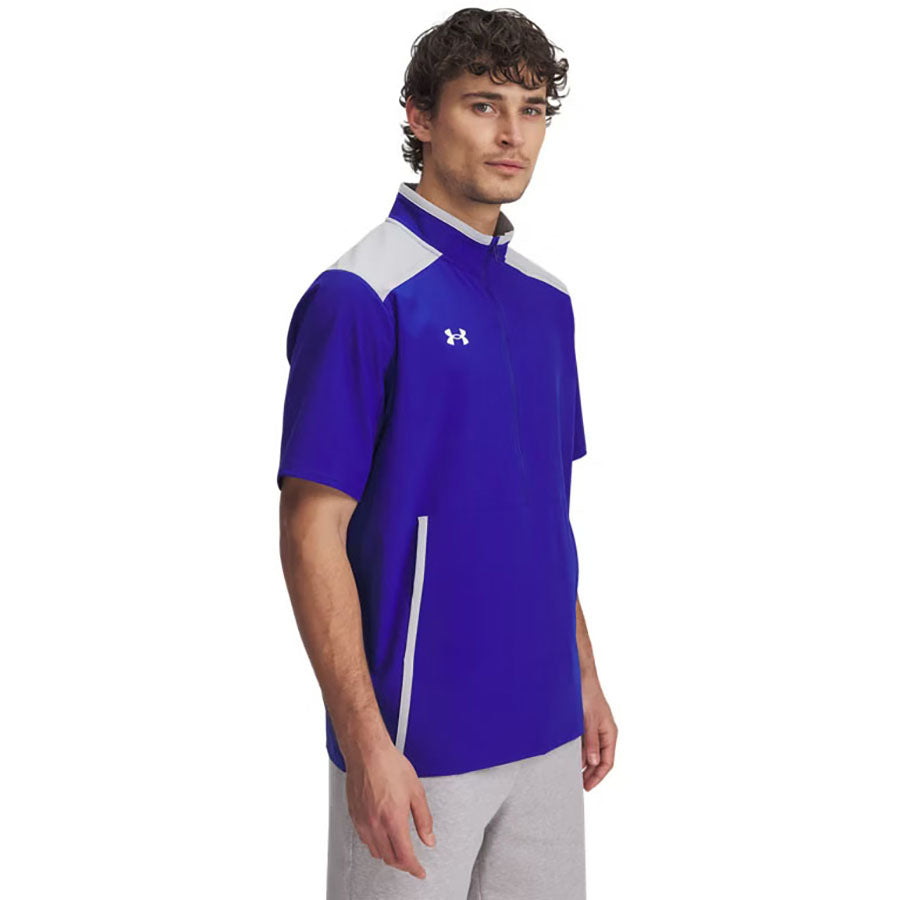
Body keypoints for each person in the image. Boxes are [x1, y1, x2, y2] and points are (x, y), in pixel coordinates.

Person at [277, 8, 617, 898]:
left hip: (546, 732)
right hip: (416, 745)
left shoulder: (549, 303)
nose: (513, 135)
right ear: (420, 116)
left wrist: (583, 676)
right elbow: (311, 532)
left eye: (533, 109)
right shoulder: (361, 295)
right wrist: (365, 743)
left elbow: (544, 516)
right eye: (484, 104)